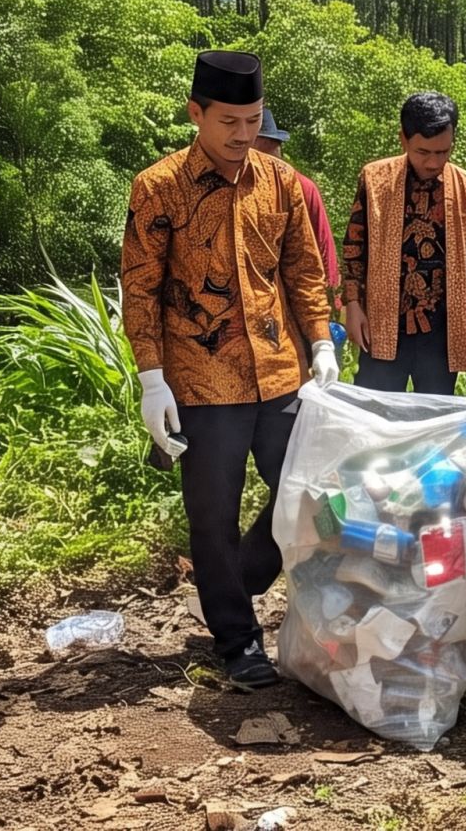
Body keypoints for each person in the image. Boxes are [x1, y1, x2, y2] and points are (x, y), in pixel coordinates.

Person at [121, 51, 338, 690]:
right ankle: (237, 639)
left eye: (252, 121)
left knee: (313, 493)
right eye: (229, 123)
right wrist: (151, 378)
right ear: (196, 114)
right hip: (200, 377)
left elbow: (302, 271)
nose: (243, 135)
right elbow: (140, 290)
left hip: (279, 372)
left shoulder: (281, 182)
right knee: (211, 512)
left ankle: (242, 582)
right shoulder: (158, 188)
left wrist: (321, 342)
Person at [342, 91, 466, 394]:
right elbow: (355, 248)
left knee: (434, 422)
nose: (433, 162)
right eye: (423, 152)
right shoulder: (374, 179)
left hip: (442, 332)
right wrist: (353, 305)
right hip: (382, 323)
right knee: (375, 416)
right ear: (403, 140)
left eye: (443, 152)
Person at [253, 107, 341, 312]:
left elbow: (324, 246)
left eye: (272, 150)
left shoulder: (302, 187)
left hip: (298, 302)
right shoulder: (231, 189)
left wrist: (331, 304)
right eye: (262, 152)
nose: (268, 160)